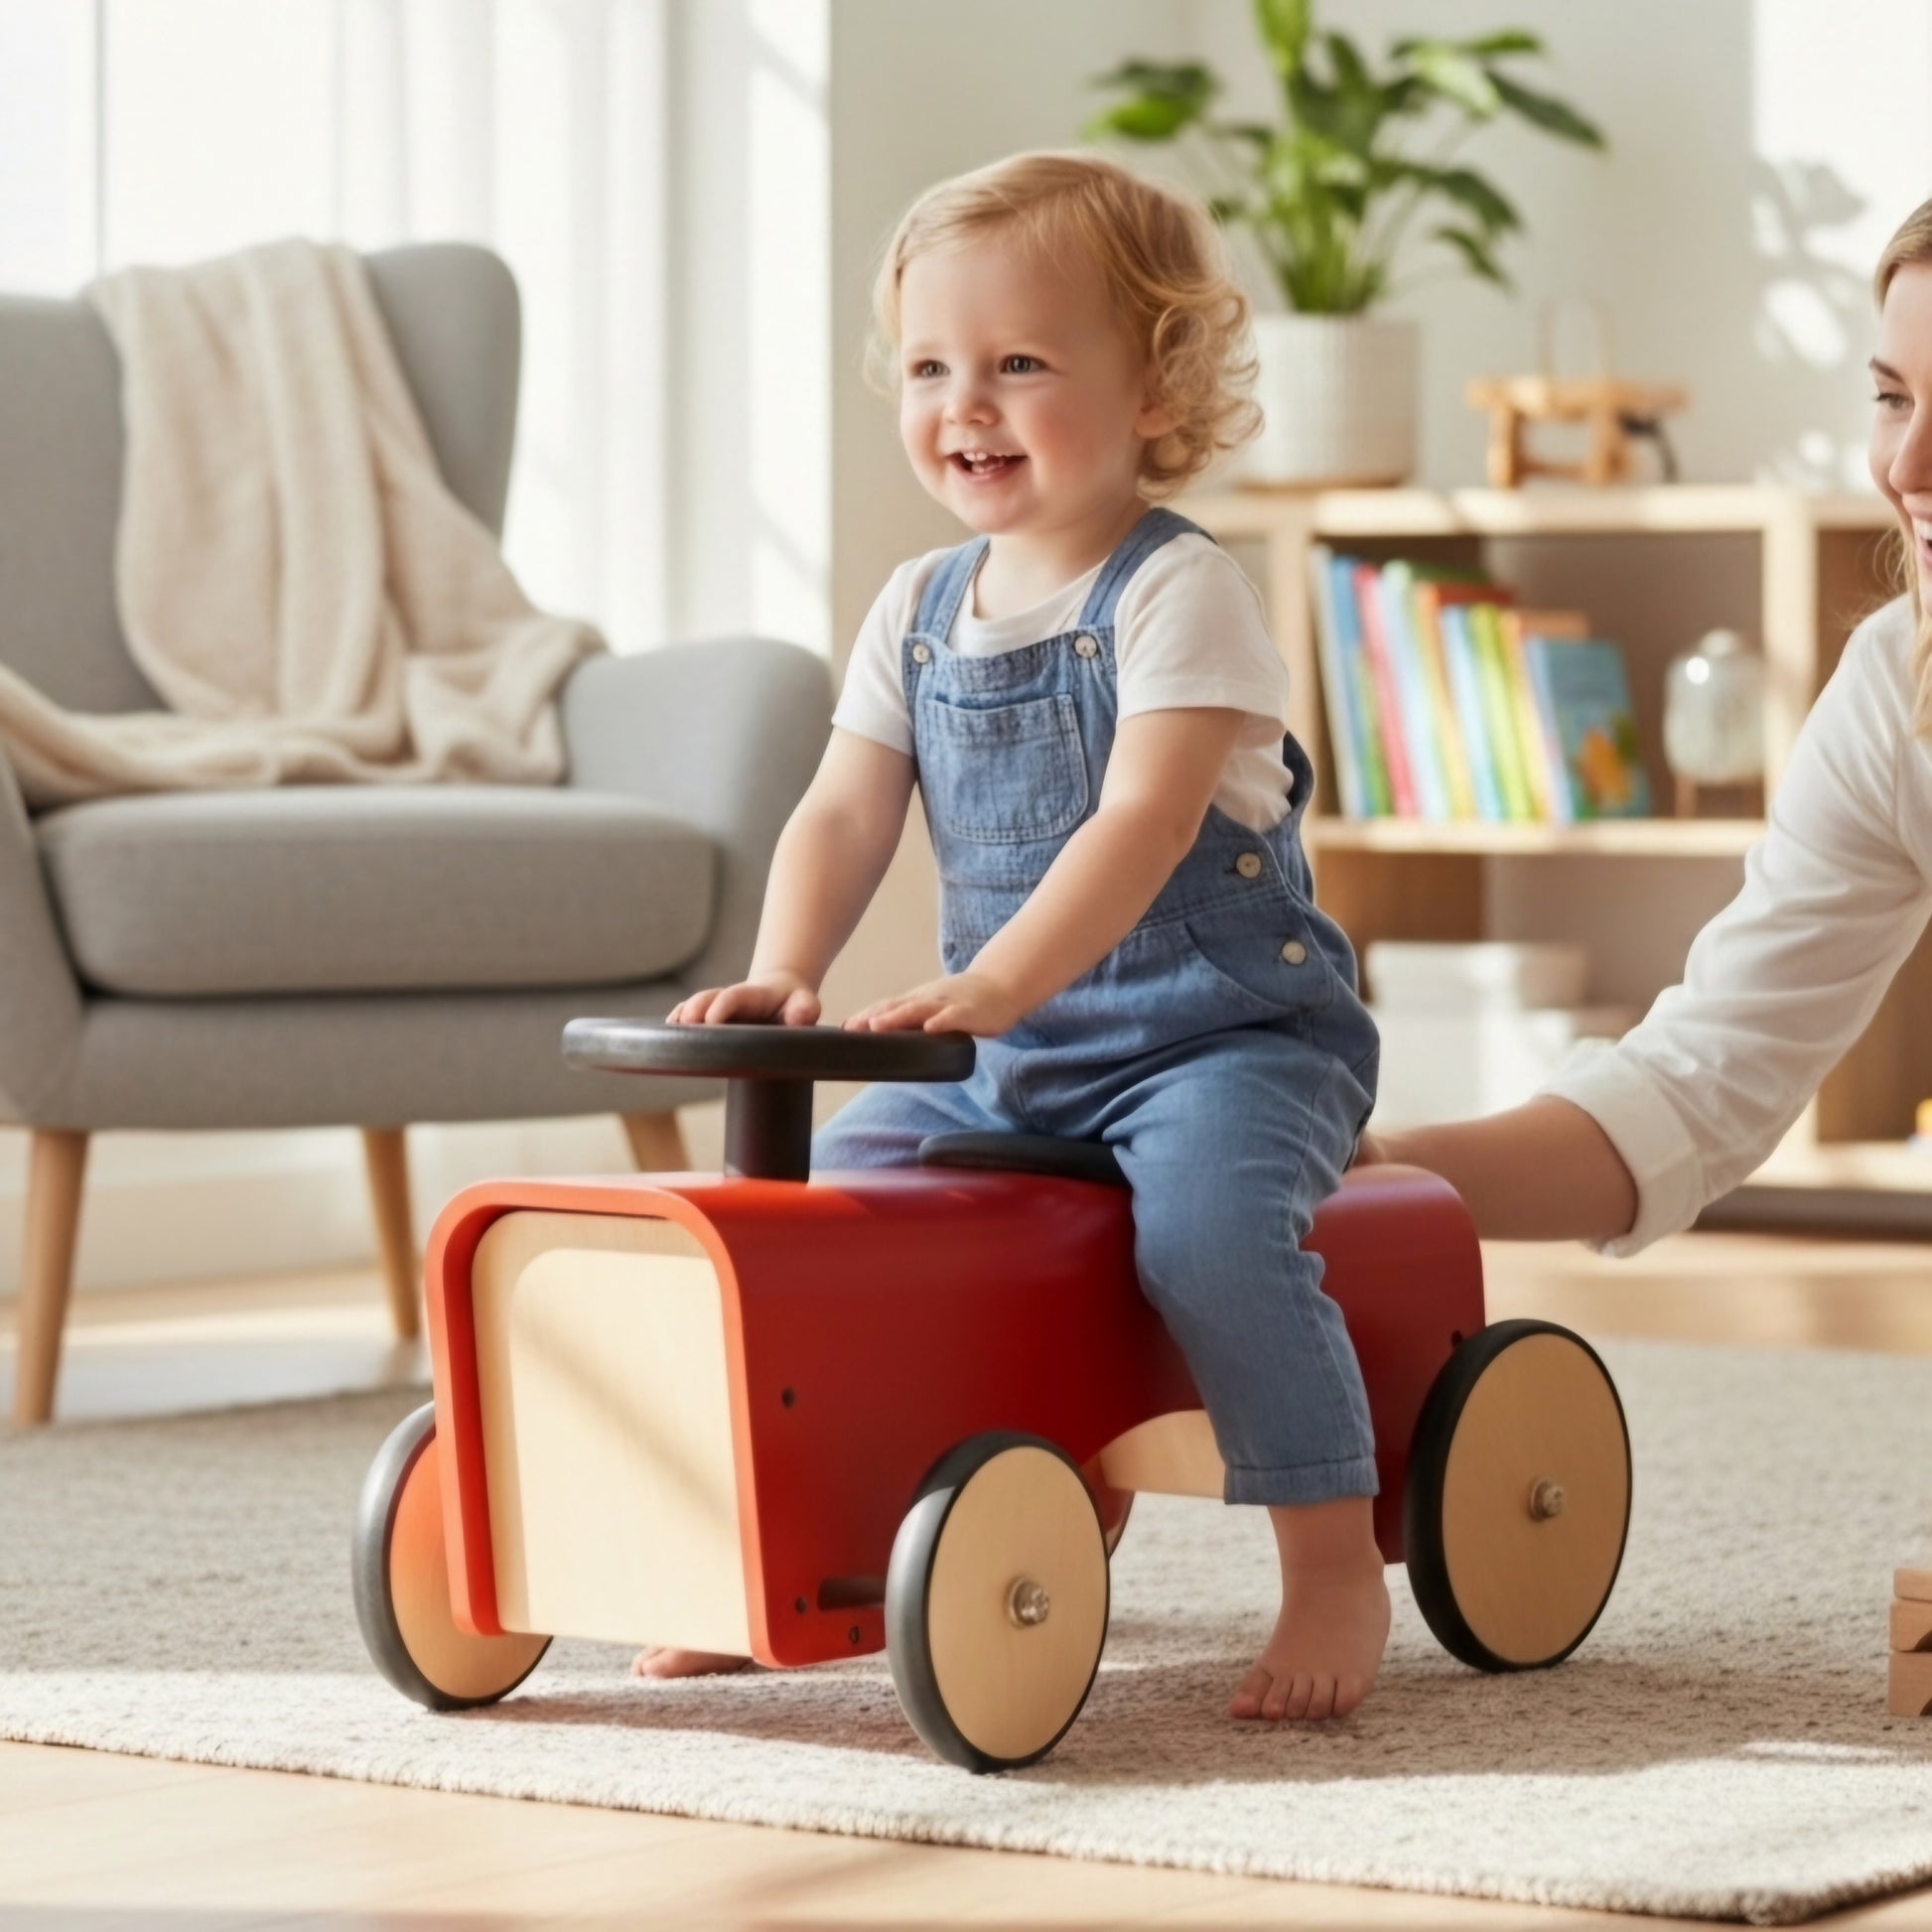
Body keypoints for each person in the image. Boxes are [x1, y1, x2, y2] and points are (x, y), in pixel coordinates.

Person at [638, 152, 1388, 1723]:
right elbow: (843, 809)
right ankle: (787, 1551)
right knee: (827, 1218)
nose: (963, 405)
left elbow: (1141, 823)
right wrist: (791, 967)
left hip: (1223, 1040)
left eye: (1019, 364)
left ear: (1157, 393)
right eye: (930, 367)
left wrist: (989, 982)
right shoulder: (917, 603)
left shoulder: (1176, 590)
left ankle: (1327, 1555)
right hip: (1007, 1056)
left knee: (1205, 1236)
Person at [1361, 196, 1932, 1256]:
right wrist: (1379, 1176)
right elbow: (1700, 1077)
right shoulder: (1896, 687)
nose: (1904, 472)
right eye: (1892, 399)